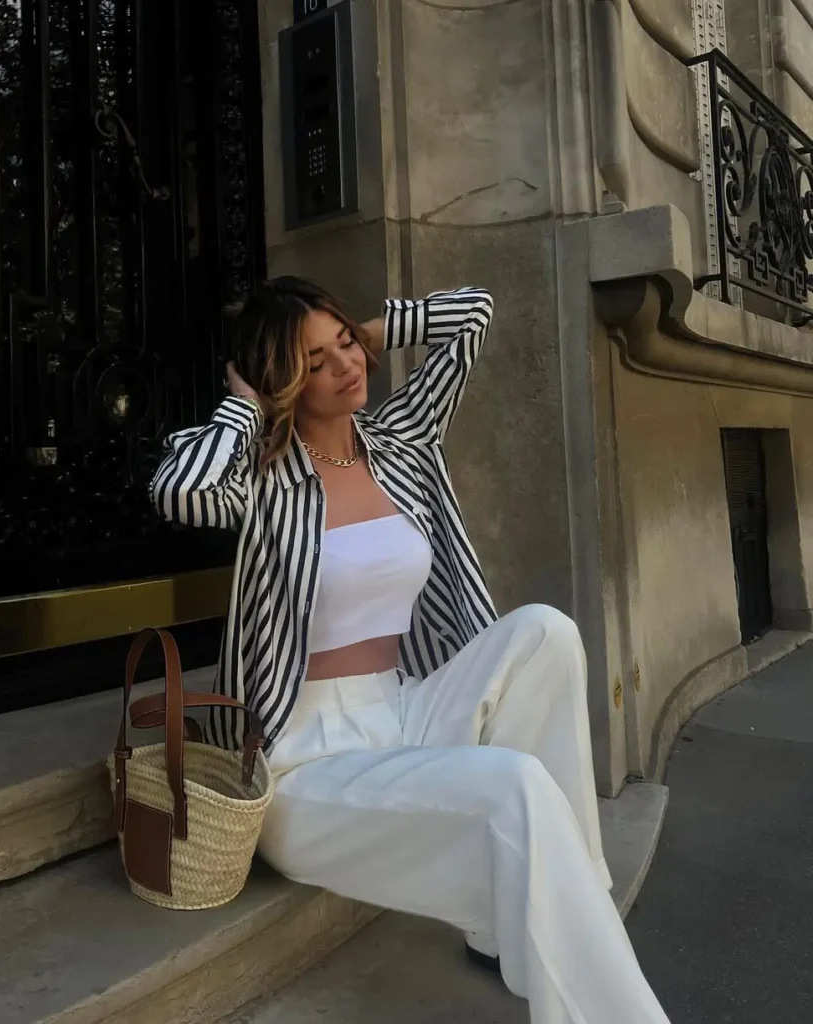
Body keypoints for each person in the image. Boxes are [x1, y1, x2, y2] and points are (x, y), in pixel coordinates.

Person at [150, 277, 670, 1023]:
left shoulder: (401, 443)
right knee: (514, 786)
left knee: (546, 632)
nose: (346, 365)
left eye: (344, 347)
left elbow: (475, 314)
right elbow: (182, 491)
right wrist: (243, 404)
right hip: (307, 756)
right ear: (284, 383)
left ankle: (558, 907)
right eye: (318, 361)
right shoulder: (262, 480)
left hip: (407, 704)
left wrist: (370, 328)